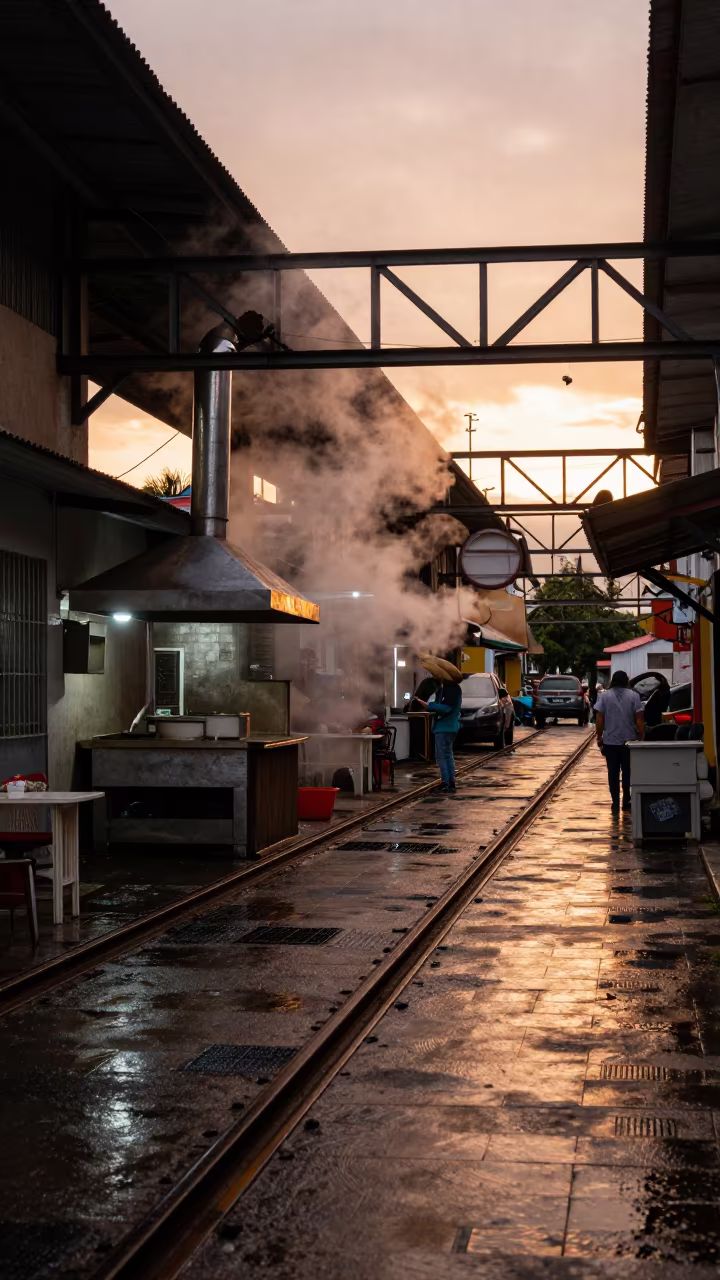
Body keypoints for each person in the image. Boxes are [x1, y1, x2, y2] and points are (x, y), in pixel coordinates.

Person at [594, 669, 645, 813]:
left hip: (610, 742)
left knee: (613, 773)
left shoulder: (604, 696)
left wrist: (599, 736)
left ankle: (615, 801)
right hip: (630, 741)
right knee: (628, 771)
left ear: (613, 681)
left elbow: (599, 718)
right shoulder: (634, 696)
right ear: (626, 681)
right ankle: (626, 798)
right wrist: (641, 735)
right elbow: (639, 718)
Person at [415, 673, 462, 791]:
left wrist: (429, 705)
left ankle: (446, 782)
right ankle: (451, 781)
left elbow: (446, 708)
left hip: (444, 727)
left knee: (441, 755)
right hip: (450, 727)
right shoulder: (451, 689)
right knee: (447, 754)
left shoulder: (449, 690)